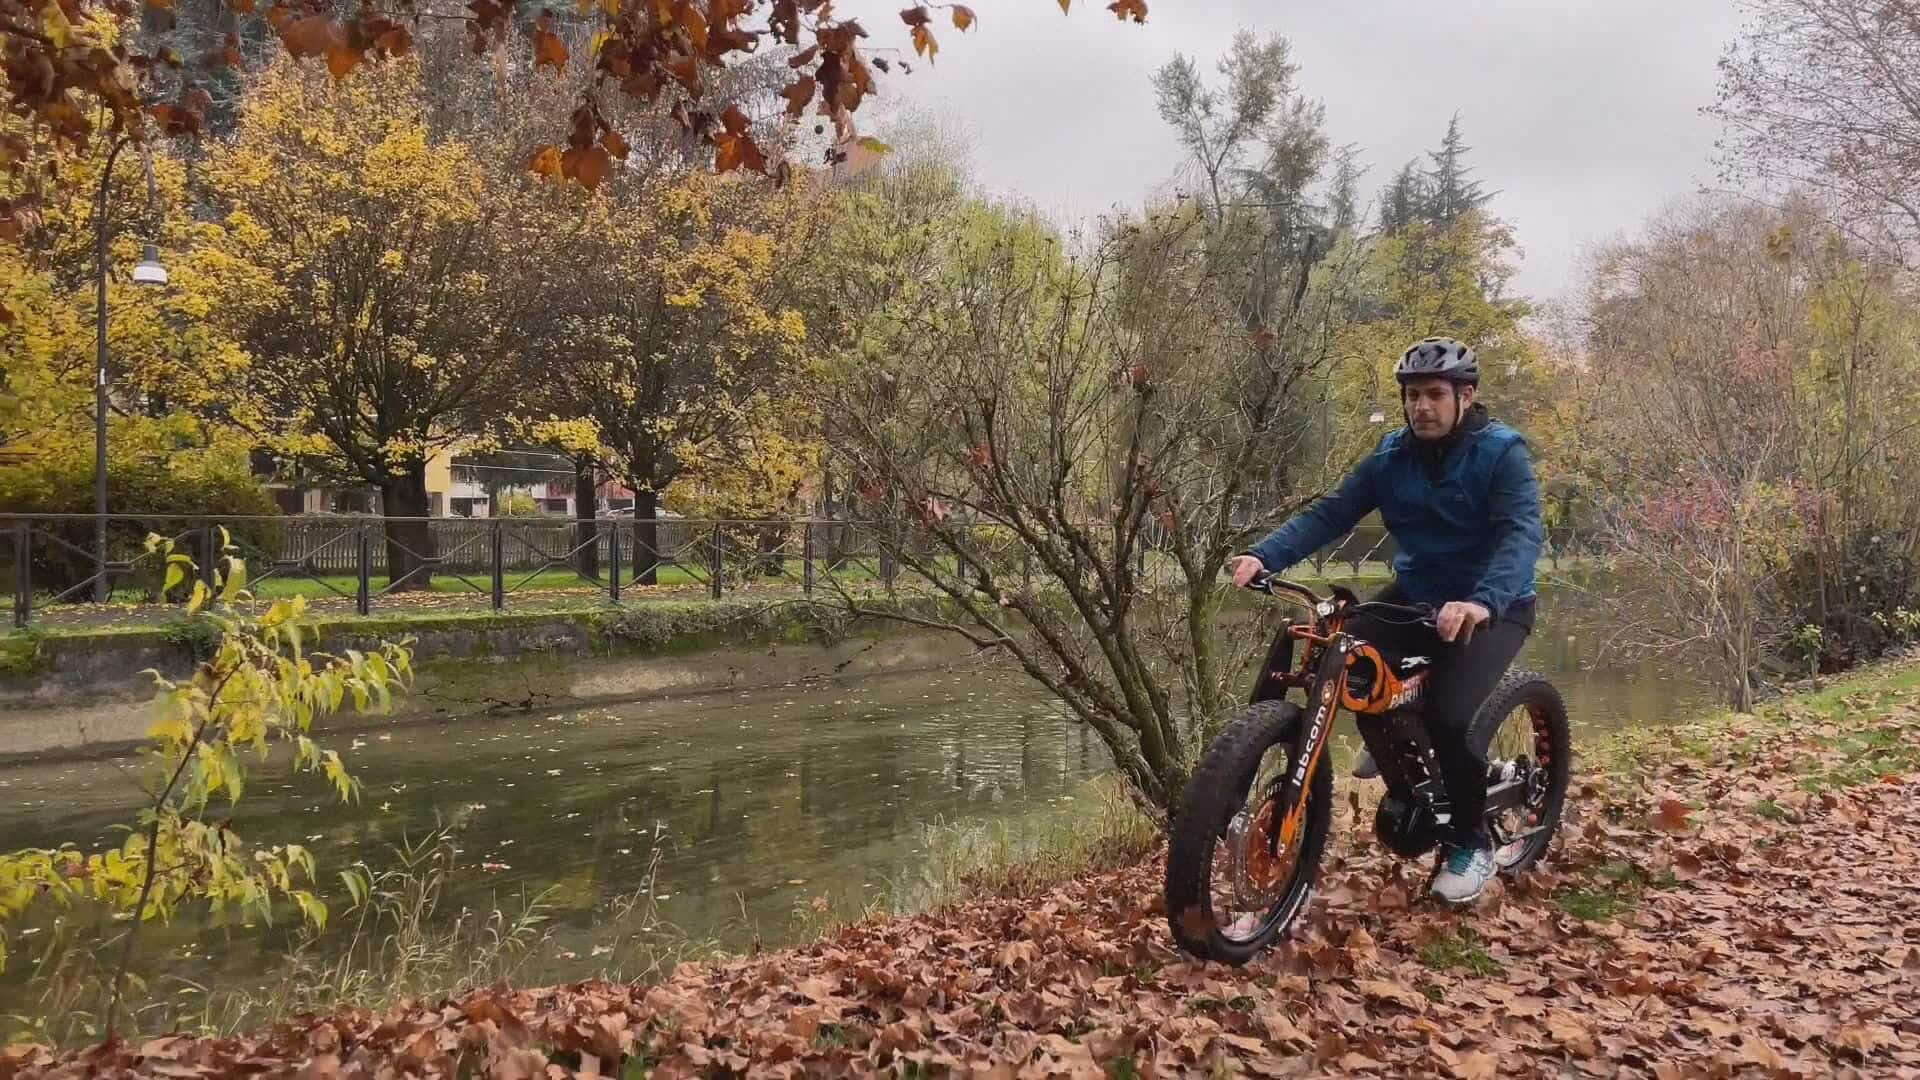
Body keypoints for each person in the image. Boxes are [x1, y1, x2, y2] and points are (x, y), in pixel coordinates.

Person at [1228, 336, 1544, 903]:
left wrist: (1481, 602)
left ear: (1465, 397)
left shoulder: (1502, 453)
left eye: (1434, 395)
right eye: (1412, 396)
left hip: (1495, 605)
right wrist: (1265, 555)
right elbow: (1331, 513)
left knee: (1448, 715)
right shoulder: (1391, 456)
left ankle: (1470, 843)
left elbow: (1520, 534)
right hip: (1418, 595)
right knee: (1347, 656)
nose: (1421, 407)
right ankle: (1400, 732)